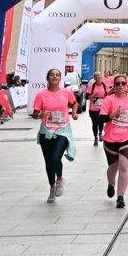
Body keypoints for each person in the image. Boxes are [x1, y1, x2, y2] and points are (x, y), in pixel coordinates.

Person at [30, 68, 76, 203]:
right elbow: (34, 114)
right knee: (48, 161)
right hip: (46, 131)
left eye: (57, 75)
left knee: (56, 157)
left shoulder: (66, 92)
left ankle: (60, 178)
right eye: (52, 75)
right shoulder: (41, 95)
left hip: (62, 130)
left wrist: (74, 112)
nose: (55, 77)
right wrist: (40, 115)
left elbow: (74, 103)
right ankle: (51, 187)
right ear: (47, 78)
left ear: (60, 78)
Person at [98, 75, 128, 209]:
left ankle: (120, 197)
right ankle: (111, 184)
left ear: (126, 85)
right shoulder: (109, 100)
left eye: (123, 83)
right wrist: (112, 115)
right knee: (113, 167)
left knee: (124, 167)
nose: (120, 86)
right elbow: (101, 119)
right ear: (114, 86)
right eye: (118, 84)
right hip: (110, 138)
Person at [85, 73, 110, 147]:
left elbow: (108, 94)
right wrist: (93, 98)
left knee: (101, 121)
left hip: (102, 108)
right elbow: (87, 96)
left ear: (102, 77)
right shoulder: (91, 86)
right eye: (96, 76)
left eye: (99, 75)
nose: (97, 77)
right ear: (94, 78)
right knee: (95, 123)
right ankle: (95, 137)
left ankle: (100, 133)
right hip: (93, 108)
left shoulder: (105, 86)